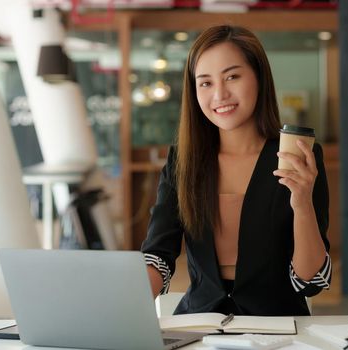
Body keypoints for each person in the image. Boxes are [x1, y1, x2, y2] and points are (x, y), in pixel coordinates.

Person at [141, 25, 331, 316]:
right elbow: (158, 255)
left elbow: (311, 282)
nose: (220, 94)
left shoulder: (297, 155)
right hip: (199, 325)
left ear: (259, 78)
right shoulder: (184, 160)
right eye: (205, 83)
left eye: (232, 76)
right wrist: (122, 303)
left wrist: (302, 203)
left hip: (277, 327)